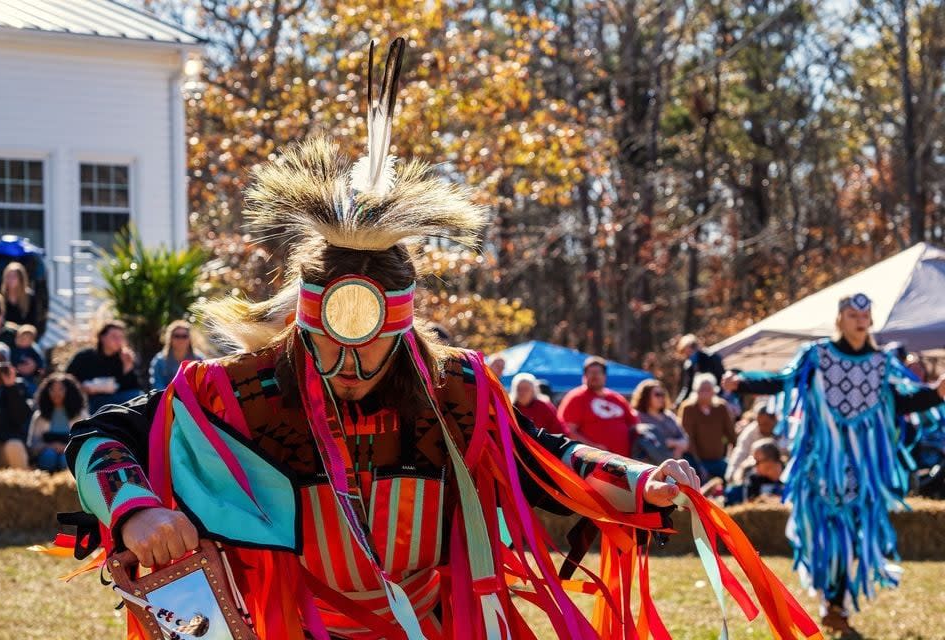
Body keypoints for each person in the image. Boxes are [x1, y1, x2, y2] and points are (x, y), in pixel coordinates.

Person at [58, 40, 820, 640]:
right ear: (301, 319)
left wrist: (639, 479)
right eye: (329, 344)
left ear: (404, 326)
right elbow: (100, 435)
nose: (350, 366)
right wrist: (135, 510)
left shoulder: (456, 393)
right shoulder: (236, 394)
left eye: (370, 347)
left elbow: (542, 456)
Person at [723, 292, 945, 633]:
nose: (860, 320)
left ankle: (836, 604)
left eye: (865, 315)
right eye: (853, 314)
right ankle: (830, 598)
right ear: (840, 318)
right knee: (822, 534)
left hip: (862, 469)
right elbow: (785, 380)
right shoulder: (818, 355)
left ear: (870, 320)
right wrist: (744, 381)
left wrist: (934, 392)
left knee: (854, 536)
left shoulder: (880, 363)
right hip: (820, 464)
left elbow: (898, 403)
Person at [557, 356, 639, 456]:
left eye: (598, 373)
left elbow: (634, 424)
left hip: (625, 462)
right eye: (590, 373)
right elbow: (568, 430)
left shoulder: (616, 398)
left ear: (604, 376)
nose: (594, 376)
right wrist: (592, 447)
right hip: (592, 461)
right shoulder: (576, 398)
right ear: (584, 376)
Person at [66, 320, 143, 414]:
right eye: (114, 336)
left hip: (117, 400)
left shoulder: (124, 358)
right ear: (102, 337)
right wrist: (83, 388)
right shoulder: (84, 357)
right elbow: (68, 379)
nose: (118, 341)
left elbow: (132, 388)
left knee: (138, 396)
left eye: (121, 337)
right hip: (89, 401)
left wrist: (127, 366)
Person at [677, 373, 736, 480]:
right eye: (702, 389)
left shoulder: (721, 407)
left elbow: (731, 433)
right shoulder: (688, 408)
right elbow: (688, 437)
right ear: (696, 391)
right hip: (696, 461)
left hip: (718, 459)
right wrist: (699, 464)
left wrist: (734, 454)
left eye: (708, 389)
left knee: (730, 476)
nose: (705, 392)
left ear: (714, 390)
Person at [27, 373, 88, 472]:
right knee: (49, 455)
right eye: (52, 389)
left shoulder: (81, 415)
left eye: (61, 389)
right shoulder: (39, 416)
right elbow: (33, 446)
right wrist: (50, 447)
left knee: (66, 458)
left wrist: (66, 448)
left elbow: (86, 443)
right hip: (45, 457)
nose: (56, 393)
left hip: (71, 456)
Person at [0, 342, 31, 469]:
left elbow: (22, 417)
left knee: (14, 445)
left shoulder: (19, 385)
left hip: (7, 447)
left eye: (1, 360)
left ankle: (22, 486)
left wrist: (11, 387)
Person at [724, 398, 783, 485]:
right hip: (757, 471)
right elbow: (740, 452)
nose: (762, 427)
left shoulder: (784, 430)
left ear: (774, 419)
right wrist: (731, 474)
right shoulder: (750, 432)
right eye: (759, 423)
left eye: (766, 423)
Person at [631, 378, 689, 459]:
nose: (661, 398)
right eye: (657, 394)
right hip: (650, 465)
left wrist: (676, 446)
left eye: (663, 394)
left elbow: (685, 439)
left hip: (675, 463)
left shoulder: (669, 416)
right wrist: (671, 444)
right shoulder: (637, 416)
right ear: (646, 396)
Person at [724, 439, 785, 506]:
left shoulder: (789, 476)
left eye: (757, 462)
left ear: (769, 461)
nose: (754, 465)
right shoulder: (753, 479)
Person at [148, 320, 204, 391]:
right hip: (166, 399)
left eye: (184, 336)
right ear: (170, 338)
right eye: (177, 336)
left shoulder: (200, 360)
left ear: (190, 339)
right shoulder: (159, 361)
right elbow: (157, 387)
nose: (180, 340)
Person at [674, 333, 725, 406]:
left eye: (688, 352)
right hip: (698, 400)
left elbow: (721, 377)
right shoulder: (689, 364)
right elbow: (687, 387)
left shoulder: (711, 358)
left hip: (715, 396)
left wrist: (719, 395)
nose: (687, 355)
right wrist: (678, 403)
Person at [0, 261, 40, 333]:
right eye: (8, 276)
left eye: (14, 276)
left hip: (23, 337)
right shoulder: (0, 297)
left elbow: (33, 323)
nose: (10, 279)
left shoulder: (30, 298)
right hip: (4, 336)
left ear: (21, 279)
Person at [11, 324, 44, 395]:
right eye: (19, 337)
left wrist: (39, 369)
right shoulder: (14, 349)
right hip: (16, 374)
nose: (21, 340)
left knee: (31, 387)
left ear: (31, 341)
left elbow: (40, 361)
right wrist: (16, 367)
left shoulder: (33, 350)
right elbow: (11, 360)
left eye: (25, 339)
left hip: (30, 376)